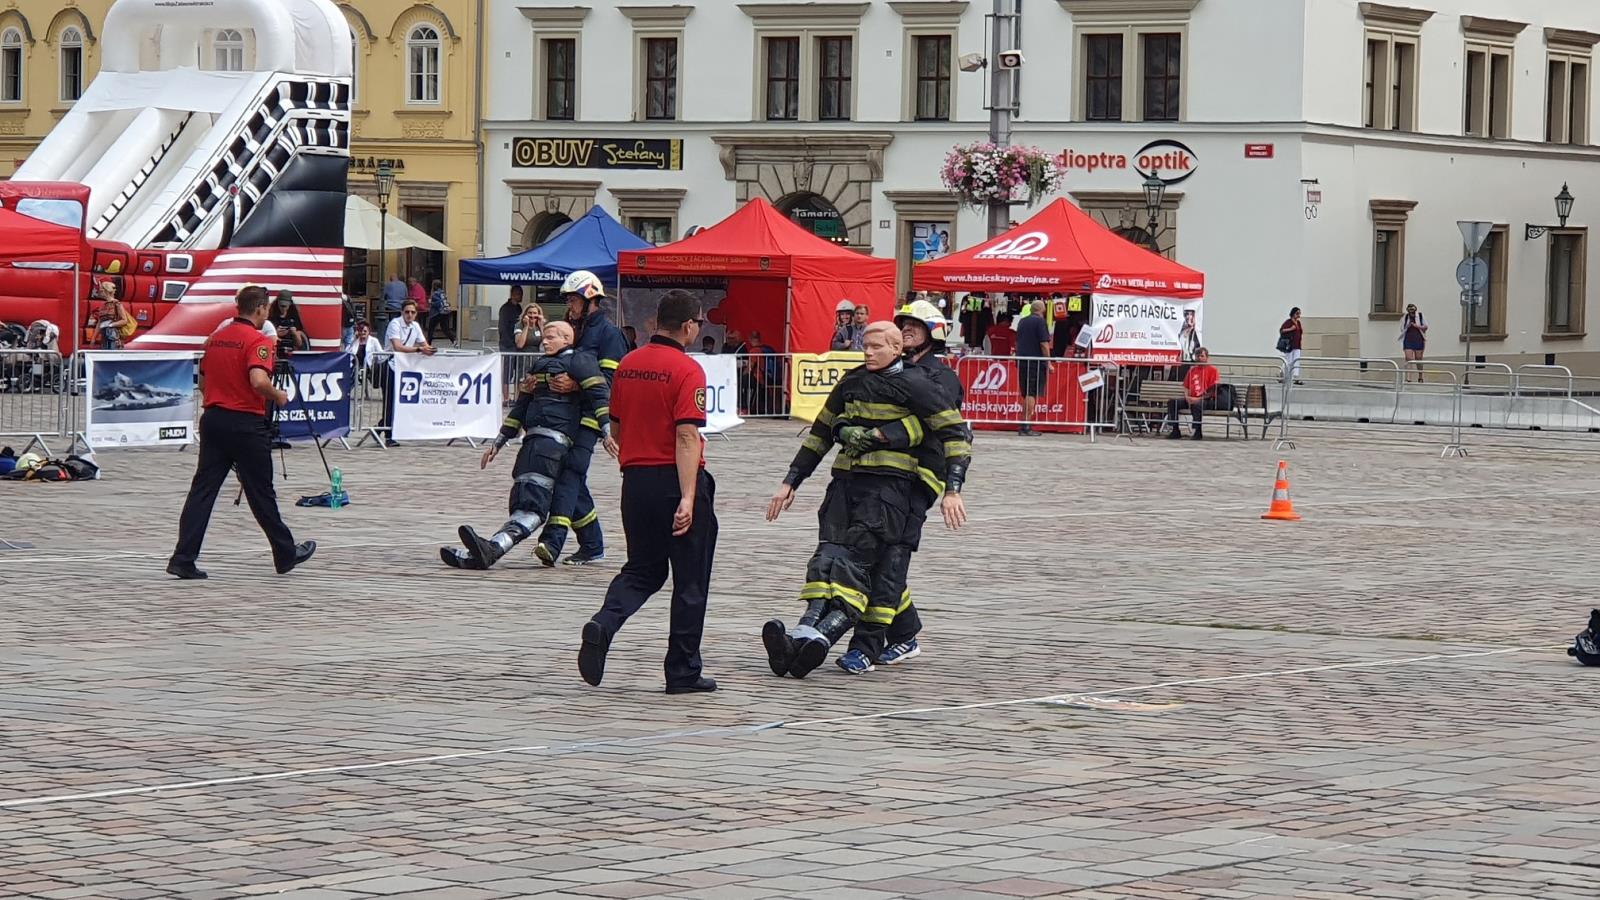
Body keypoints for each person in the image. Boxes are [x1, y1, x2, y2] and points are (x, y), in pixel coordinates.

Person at [762, 322, 970, 679]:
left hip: (894, 492)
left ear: (896, 347)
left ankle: (848, 644)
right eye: (865, 346)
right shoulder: (852, 382)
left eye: (876, 346)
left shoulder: (923, 383)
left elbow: (955, 435)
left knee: (869, 566)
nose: (868, 352)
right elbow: (820, 433)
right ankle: (805, 635)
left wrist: (951, 490)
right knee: (830, 558)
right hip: (846, 484)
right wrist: (790, 481)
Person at [578, 289, 718, 694]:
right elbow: (687, 436)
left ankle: (604, 623)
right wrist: (689, 497)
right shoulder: (687, 369)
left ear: (658, 321)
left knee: (642, 569)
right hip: (674, 478)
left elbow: (617, 428)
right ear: (689, 325)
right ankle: (682, 670)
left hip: (635, 481)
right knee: (690, 580)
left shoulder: (629, 364)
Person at [836, 300, 971, 673]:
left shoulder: (939, 378)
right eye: (904, 323)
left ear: (934, 333)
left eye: (917, 325)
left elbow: (944, 432)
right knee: (880, 559)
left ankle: (866, 647)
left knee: (891, 559)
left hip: (918, 479)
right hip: (886, 479)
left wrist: (951, 488)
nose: (908, 328)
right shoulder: (894, 372)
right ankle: (906, 632)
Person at [167, 285, 315, 580]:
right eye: (267, 309)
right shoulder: (258, 341)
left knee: (203, 490)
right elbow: (258, 380)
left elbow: (203, 382)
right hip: (246, 423)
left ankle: (183, 557)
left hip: (214, 419)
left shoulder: (216, 339)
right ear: (260, 308)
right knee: (261, 492)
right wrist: (277, 395)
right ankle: (285, 553)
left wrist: (217, 400)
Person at [444, 321, 609, 570]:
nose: (545, 340)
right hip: (532, 442)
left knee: (532, 502)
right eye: (544, 336)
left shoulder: (580, 361)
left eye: (552, 336)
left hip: (554, 445)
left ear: (567, 339)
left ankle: (495, 548)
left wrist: (607, 432)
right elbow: (521, 406)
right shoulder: (539, 365)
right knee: (555, 493)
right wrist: (499, 442)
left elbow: (600, 395)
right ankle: (592, 545)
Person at [535, 270, 628, 566]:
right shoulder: (572, 329)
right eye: (569, 300)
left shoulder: (608, 334)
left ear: (591, 300)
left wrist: (576, 385)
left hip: (589, 416)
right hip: (565, 416)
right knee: (570, 476)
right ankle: (592, 544)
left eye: (574, 300)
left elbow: (612, 382)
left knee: (571, 471)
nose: (570, 305)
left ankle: (553, 542)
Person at [380, 299, 435, 446]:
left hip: (404, 368)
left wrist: (431, 350)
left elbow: (424, 344)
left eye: (412, 312)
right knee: (390, 401)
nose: (409, 315)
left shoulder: (415, 326)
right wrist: (419, 349)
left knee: (399, 401)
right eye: (407, 312)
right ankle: (388, 435)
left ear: (416, 314)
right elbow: (397, 346)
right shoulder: (395, 324)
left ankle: (380, 426)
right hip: (390, 365)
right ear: (401, 312)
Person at [1167, 347, 1219, 441]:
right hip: (1191, 398)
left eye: (1202, 356)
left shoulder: (1213, 370)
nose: (1199, 358)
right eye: (1197, 356)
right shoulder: (1192, 370)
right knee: (1172, 402)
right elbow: (1186, 386)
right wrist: (1187, 397)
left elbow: (1213, 390)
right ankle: (1175, 430)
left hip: (1206, 399)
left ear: (1207, 357)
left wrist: (1198, 399)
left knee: (1196, 405)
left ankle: (1198, 431)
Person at [1016, 298, 1050, 435]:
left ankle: (1024, 423)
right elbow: (1044, 344)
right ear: (1042, 310)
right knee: (1031, 394)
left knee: (1026, 393)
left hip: (1023, 361)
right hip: (1035, 363)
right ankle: (1026, 425)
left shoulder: (1022, 321)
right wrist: (1048, 362)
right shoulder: (1040, 322)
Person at [90, 283, 135, 350]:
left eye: (101, 290)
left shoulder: (117, 304)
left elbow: (124, 321)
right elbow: (99, 323)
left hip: (113, 335)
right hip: (104, 335)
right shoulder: (103, 306)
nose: (100, 292)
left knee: (112, 353)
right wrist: (94, 338)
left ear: (106, 291)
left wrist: (111, 325)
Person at [344, 319, 384, 391]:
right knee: (350, 373)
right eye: (360, 331)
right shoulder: (355, 341)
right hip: (356, 365)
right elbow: (347, 352)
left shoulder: (374, 341)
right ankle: (347, 391)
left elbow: (381, 353)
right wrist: (353, 341)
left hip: (369, 365)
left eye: (365, 331)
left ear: (368, 332)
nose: (362, 333)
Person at [1401, 304, 1427, 382]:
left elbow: (1425, 327)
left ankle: (1420, 375)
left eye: (1412, 311)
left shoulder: (1420, 316)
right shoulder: (1405, 318)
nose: (1411, 313)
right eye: (1409, 311)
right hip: (1408, 339)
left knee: (1418, 359)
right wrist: (1408, 326)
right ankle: (1408, 377)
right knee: (1408, 358)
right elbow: (1402, 329)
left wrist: (1417, 326)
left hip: (1418, 339)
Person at [1279, 306, 1304, 383]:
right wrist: (1291, 329)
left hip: (1297, 345)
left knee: (1296, 361)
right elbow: (1282, 330)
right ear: (1293, 314)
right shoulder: (1288, 322)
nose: (1298, 315)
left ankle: (1295, 377)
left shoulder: (1298, 323)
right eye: (1297, 313)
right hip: (1290, 345)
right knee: (1288, 361)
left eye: (1299, 313)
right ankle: (1283, 375)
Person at [426, 279, 456, 344]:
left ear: (434, 286)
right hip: (445, 312)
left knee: (431, 328)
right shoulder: (442, 293)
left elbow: (438, 303)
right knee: (445, 329)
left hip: (436, 313)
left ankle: (428, 343)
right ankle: (453, 340)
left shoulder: (435, 294)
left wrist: (431, 302)